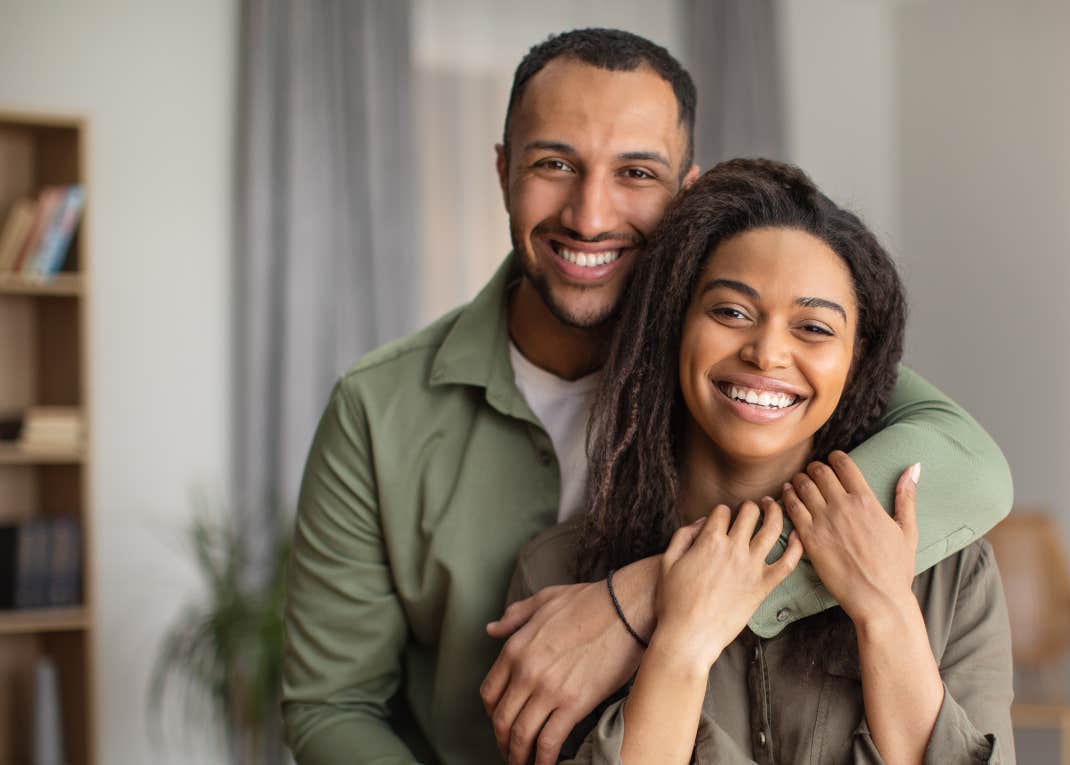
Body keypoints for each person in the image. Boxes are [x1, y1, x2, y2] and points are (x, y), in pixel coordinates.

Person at [281, 28, 1013, 765]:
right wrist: (677, 610)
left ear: (685, 194)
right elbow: (332, 706)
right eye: (553, 163)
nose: (590, 213)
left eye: (635, 171)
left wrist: (643, 597)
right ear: (503, 171)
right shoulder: (378, 409)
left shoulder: (767, 376)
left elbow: (974, 467)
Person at [510, 159, 1014, 764]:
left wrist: (885, 611)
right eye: (730, 312)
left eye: (814, 327)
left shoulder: (952, 574)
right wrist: (681, 643)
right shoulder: (560, 576)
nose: (768, 353)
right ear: (675, 328)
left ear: (858, 365)